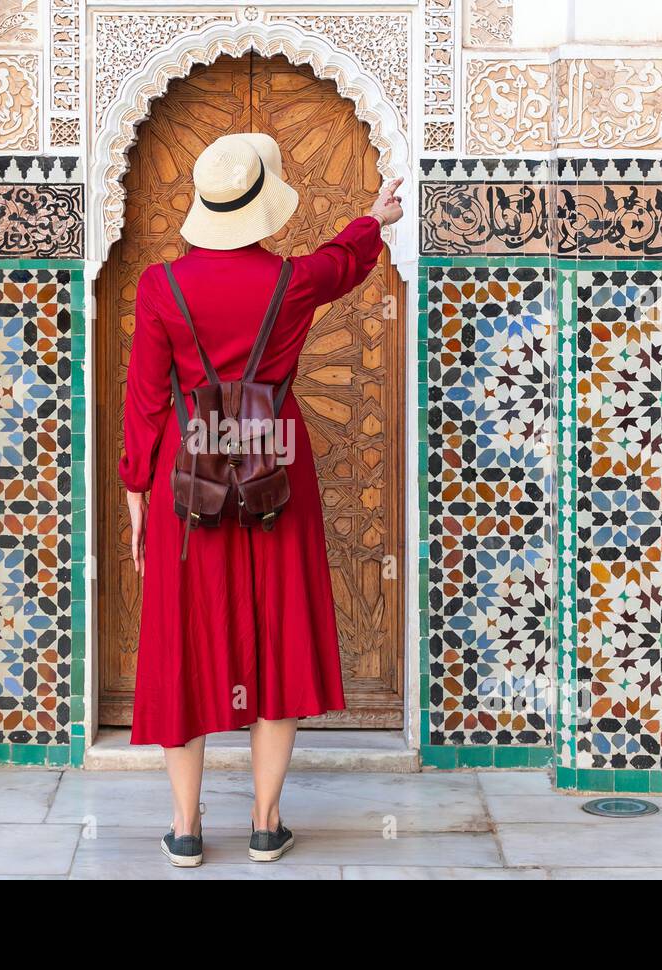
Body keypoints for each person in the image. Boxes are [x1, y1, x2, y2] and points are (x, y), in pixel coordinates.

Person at [118, 131, 405, 866]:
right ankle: (264, 821)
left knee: (184, 641)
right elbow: (342, 263)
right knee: (274, 636)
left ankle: (185, 829)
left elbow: (147, 400)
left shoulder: (160, 287)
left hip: (189, 481)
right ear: (258, 208)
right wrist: (373, 217)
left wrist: (136, 493)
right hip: (276, 470)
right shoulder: (291, 281)